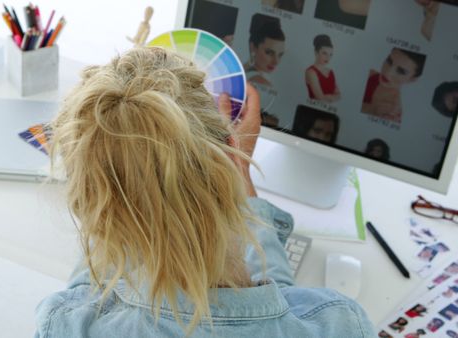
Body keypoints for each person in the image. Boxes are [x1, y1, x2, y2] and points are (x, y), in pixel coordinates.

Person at [33, 47, 375, 337]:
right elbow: (281, 310)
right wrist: (235, 168)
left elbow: (89, 287)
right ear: (230, 152)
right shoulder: (338, 324)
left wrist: (126, 165)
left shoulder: (68, 323)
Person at [362, 48, 426, 123]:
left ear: (412, 79)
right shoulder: (369, 73)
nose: (387, 72)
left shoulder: (394, 112)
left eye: (401, 71)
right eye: (389, 61)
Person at [245, 14, 286, 87]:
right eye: (269, 53)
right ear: (253, 47)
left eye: (280, 55)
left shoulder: (243, 69)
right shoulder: (261, 81)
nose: (276, 62)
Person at [305, 34, 341, 102]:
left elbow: (339, 95)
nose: (328, 58)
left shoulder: (330, 71)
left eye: (330, 54)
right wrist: (333, 97)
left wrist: (328, 97)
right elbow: (320, 98)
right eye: (324, 53)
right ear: (316, 53)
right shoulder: (311, 72)